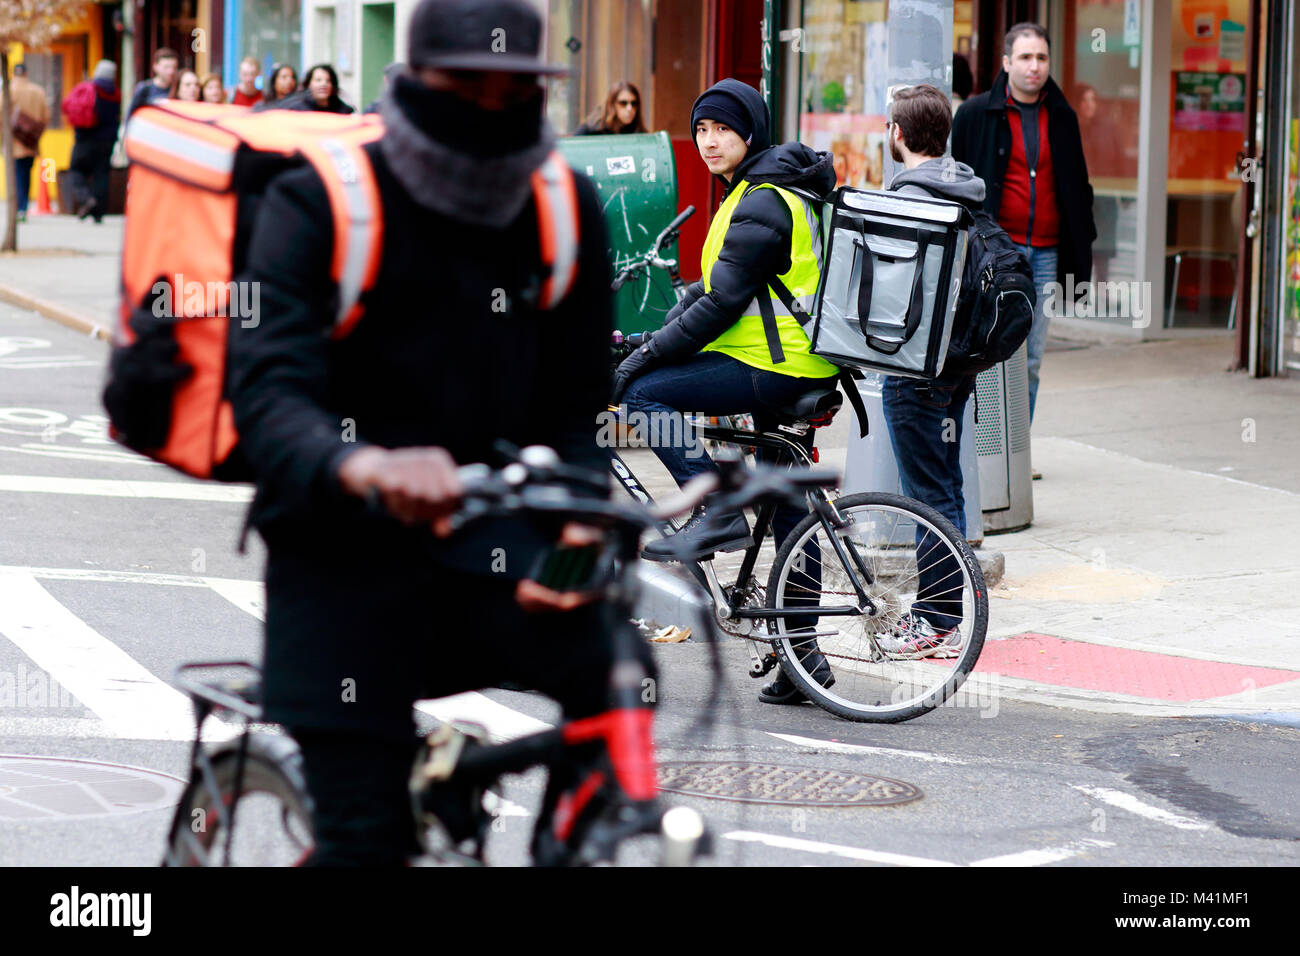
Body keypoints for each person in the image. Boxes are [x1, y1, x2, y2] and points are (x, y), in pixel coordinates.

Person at [227, 0, 646, 866]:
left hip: (491, 555)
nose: (492, 110)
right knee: (364, 839)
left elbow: (573, 415)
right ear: (413, 84)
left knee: (618, 662)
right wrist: (365, 464)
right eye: (468, 87)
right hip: (339, 569)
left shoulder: (565, 210)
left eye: (516, 92)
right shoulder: (322, 204)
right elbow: (268, 403)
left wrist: (576, 533)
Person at [611, 77, 839, 705]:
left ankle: (716, 509)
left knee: (644, 395)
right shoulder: (761, 188)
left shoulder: (762, 200)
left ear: (750, 132)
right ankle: (804, 658)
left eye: (722, 129)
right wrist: (641, 339)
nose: (709, 142)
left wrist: (642, 360)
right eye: (701, 130)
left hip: (777, 366)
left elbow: (720, 306)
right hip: (796, 363)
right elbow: (712, 298)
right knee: (791, 504)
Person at [879, 84, 985, 657]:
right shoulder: (963, 188)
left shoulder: (907, 197)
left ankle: (938, 618)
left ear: (897, 134)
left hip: (916, 364)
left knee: (925, 494)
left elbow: (891, 293)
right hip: (957, 362)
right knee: (945, 483)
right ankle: (957, 611)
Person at [952, 21, 1095, 423]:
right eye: (1026, 57)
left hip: (1046, 253)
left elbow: (1077, 186)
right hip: (994, 254)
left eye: (1042, 57)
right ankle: (985, 448)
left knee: (1030, 356)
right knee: (987, 349)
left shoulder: (1063, 116)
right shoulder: (974, 114)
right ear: (1006, 62)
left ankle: (1019, 447)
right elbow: (959, 184)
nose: (1035, 66)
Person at [67, 60, 120, 224]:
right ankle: (98, 213)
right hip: (107, 140)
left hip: (86, 138)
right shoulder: (116, 93)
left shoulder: (89, 88)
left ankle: (86, 199)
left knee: (76, 170)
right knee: (102, 175)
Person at [5, 63, 50, 224]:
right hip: (31, 142)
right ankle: (23, 207)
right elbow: (46, 116)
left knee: (16, 175)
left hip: (14, 142)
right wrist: (34, 133)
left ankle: (18, 208)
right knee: (26, 174)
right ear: (26, 73)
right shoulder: (38, 92)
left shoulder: (7, 91)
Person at [572, 82, 645, 135]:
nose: (629, 108)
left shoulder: (640, 134)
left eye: (634, 103)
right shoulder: (591, 131)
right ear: (612, 104)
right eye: (623, 103)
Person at [277, 63, 354, 114]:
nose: (324, 84)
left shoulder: (344, 111)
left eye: (328, 81)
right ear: (309, 84)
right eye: (318, 80)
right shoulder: (296, 110)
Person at [127, 48, 178, 118]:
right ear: (155, 67)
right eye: (166, 67)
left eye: (174, 67)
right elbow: (130, 114)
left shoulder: (177, 89)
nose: (171, 71)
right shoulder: (144, 88)